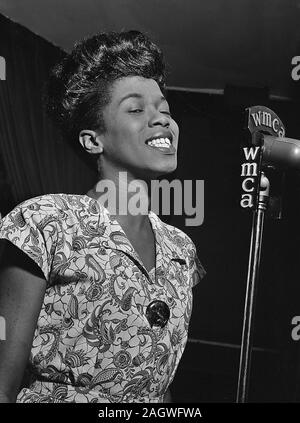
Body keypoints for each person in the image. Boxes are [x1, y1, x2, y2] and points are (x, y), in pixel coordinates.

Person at [0, 30, 206, 403]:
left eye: (165, 109)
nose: (161, 120)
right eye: (136, 109)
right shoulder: (45, 223)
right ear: (93, 140)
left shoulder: (181, 249)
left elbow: (158, 382)